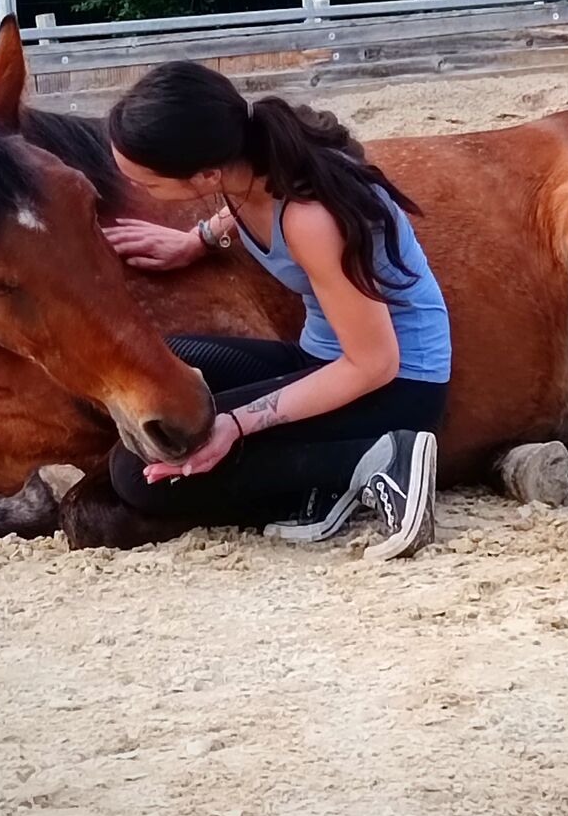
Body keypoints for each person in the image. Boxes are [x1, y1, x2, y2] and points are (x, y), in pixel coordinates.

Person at [101, 61, 451, 560]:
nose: (142, 193)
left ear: (206, 174)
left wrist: (239, 423)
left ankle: (379, 460)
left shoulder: (310, 221)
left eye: (151, 184)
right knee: (172, 364)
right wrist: (195, 240)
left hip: (397, 387)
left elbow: (374, 364)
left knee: (137, 476)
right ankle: (317, 486)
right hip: (324, 357)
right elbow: (241, 204)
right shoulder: (252, 163)